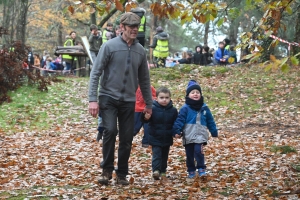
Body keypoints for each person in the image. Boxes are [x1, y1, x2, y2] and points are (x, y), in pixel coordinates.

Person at [88, 12, 153, 186]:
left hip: (128, 100)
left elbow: (144, 80)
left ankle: (122, 173)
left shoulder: (140, 51)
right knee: (109, 130)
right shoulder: (109, 46)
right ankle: (106, 170)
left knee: (127, 137)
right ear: (122, 28)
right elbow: (96, 73)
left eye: (136, 27)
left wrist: (149, 104)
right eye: (131, 27)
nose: (134, 30)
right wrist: (92, 99)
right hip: (108, 97)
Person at [173, 80, 218, 178]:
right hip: (188, 135)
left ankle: (201, 168)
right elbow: (180, 120)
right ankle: (191, 170)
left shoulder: (204, 107)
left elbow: (210, 120)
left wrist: (213, 131)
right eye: (192, 92)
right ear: (188, 95)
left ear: (200, 95)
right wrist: (176, 130)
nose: (195, 94)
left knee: (199, 151)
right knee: (189, 154)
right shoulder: (185, 108)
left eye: (197, 92)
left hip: (200, 135)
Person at [142, 87, 178, 180]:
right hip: (155, 136)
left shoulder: (173, 110)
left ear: (170, 98)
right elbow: (145, 120)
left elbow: (176, 123)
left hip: (167, 137)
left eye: (167, 97)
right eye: (161, 97)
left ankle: (163, 171)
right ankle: (156, 170)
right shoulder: (152, 109)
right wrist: (146, 117)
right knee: (157, 154)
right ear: (156, 98)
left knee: (165, 155)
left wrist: (177, 132)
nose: (164, 100)